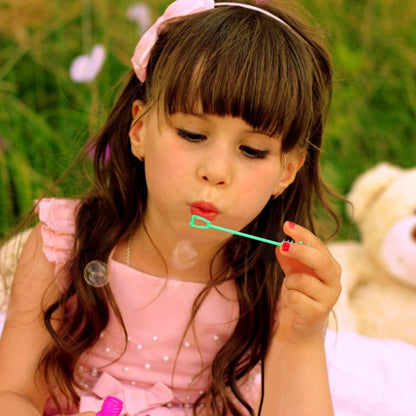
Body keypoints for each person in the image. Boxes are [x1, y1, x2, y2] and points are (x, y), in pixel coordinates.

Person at [0, 0, 341, 415]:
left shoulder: (274, 283)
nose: (216, 172)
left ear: (286, 171)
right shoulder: (65, 242)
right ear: (140, 131)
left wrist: (301, 334)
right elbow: (12, 394)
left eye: (251, 150)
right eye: (193, 134)